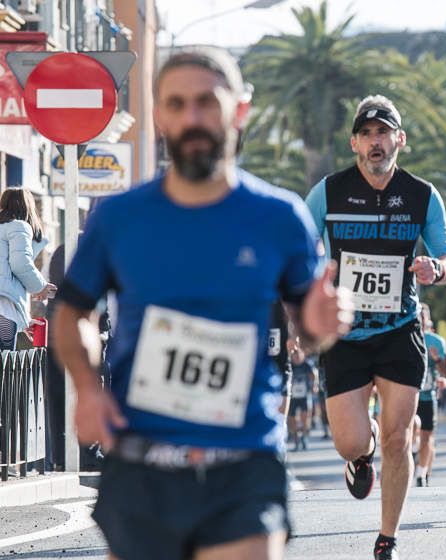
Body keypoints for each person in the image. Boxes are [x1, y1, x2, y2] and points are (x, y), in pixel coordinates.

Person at [53, 47, 352, 560]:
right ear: (159, 114)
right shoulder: (119, 217)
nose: (192, 118)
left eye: (207, 103)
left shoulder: (280, 217)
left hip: (244, 462)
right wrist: (86, 387)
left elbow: (311, 324)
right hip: (142, 463)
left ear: (240, 109)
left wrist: (324, 323)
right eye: (177, 103)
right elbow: (72, 311)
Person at [305, 94, 446, 560]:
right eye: (367, 134)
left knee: (400, 436)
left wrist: (438, 269)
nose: (376, 142)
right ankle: (360, 454)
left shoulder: (421, 195)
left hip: (401, 330)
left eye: (384, 132)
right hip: (344, 336)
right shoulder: (328, 192)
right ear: (355, 142)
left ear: (400, 140)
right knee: (351, 441)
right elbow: (298, 253)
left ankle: (387, 537)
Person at [0, 187, 56, 351]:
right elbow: (20, 264)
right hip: (3, 308)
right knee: (4, 366)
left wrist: (24, 320)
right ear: (28, 207)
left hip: (5, 308)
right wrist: (41, 287)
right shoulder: (19, 226)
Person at [414, 302, 446, 487]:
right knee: (411, 431)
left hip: (428, 396)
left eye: (422, 317)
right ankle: (415, 454)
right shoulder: (404, 338)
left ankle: (421, 474)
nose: (419, 320)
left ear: (427, 319)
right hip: (408, 395)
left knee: (427, 437)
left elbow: (445, 371)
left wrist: (437, 359)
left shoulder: (436, 341)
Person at [287, 342, 318, 451]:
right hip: (292, 397)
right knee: (292, 420)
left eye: (298, 353)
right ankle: (296, 441)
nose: (296, 356)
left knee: (305, 419)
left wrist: (314, 386)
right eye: (294, 354)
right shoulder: (289, 364)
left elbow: (314, 375)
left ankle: (304, 438)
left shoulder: (307, 364)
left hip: (305, 396)